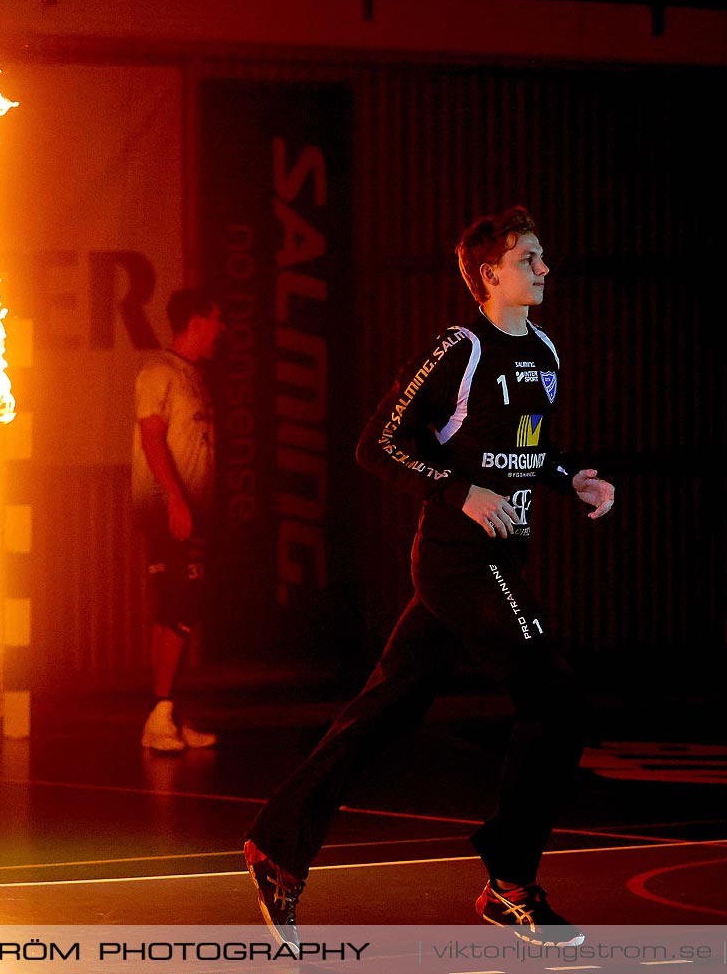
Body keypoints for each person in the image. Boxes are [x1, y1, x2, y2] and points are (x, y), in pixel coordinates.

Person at [243, 205, 615, 945]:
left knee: (388, 707)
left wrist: (570, 476)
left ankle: (276, 846)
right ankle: (510, 883)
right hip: (457, 559)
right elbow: (377, 442)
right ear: (489, 275)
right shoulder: (461, 347)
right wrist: (458, 490)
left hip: (502, 558)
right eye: (529, 258)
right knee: (556, 696)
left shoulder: (543, 351)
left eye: (542, 257)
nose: (544, 269)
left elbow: (526, 449)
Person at [133, 288, 224, 751]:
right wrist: (175, 500)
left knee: (183, 610)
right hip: (168, 512)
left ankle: (170, 711)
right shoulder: (158, 372)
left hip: (195, 513)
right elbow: (151, 440)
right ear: (196, 322)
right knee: (178, 608)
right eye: (216, 319)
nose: (221, 329)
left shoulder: (194, 376)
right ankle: (159, 714)